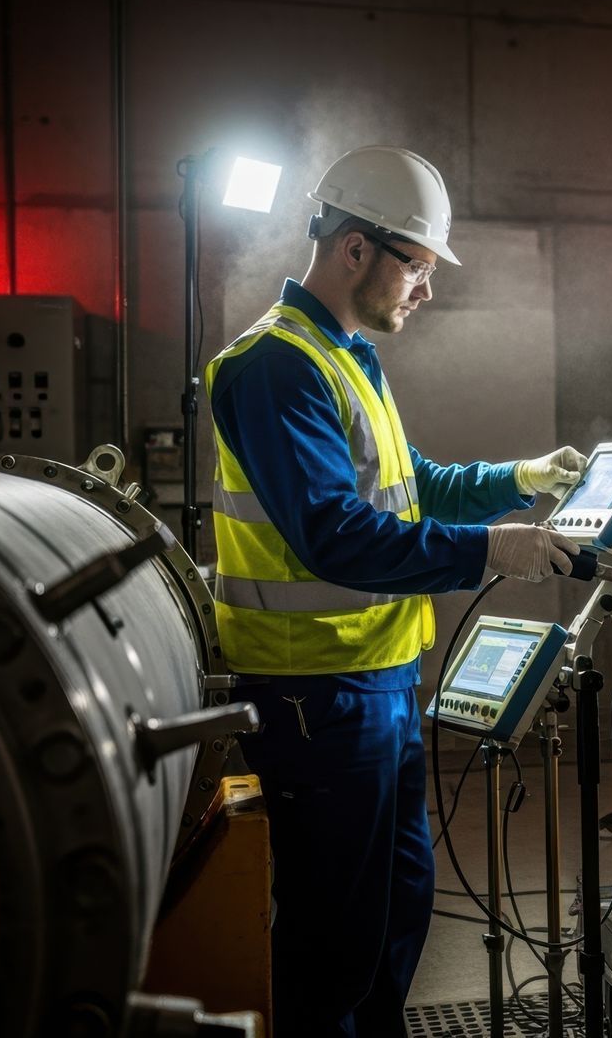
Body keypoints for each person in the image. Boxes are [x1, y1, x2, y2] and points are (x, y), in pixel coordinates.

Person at [205, 144, 586, 1037]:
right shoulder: (275, 366)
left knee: (395, 914)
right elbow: (337, 534)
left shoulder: (348, 359)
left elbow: (412, 487)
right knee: (334, 940)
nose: (427, 289)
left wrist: (518, 477)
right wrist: (499, 550)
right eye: (418, 266)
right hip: (315, 696)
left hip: (375, 685)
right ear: (354, 250)